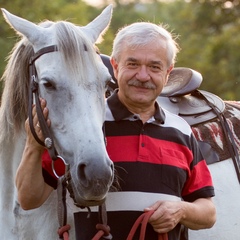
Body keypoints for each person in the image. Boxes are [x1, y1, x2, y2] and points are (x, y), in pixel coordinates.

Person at [16, 22, 216, 239]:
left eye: (154, 67)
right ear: (115, 66)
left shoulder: (181, 130)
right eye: (133, 64)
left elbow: (208, 211)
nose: (142, 75)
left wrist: (181, 210)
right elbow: (29, 200)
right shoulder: (84, 126)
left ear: (168, 73)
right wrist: (33, 145)